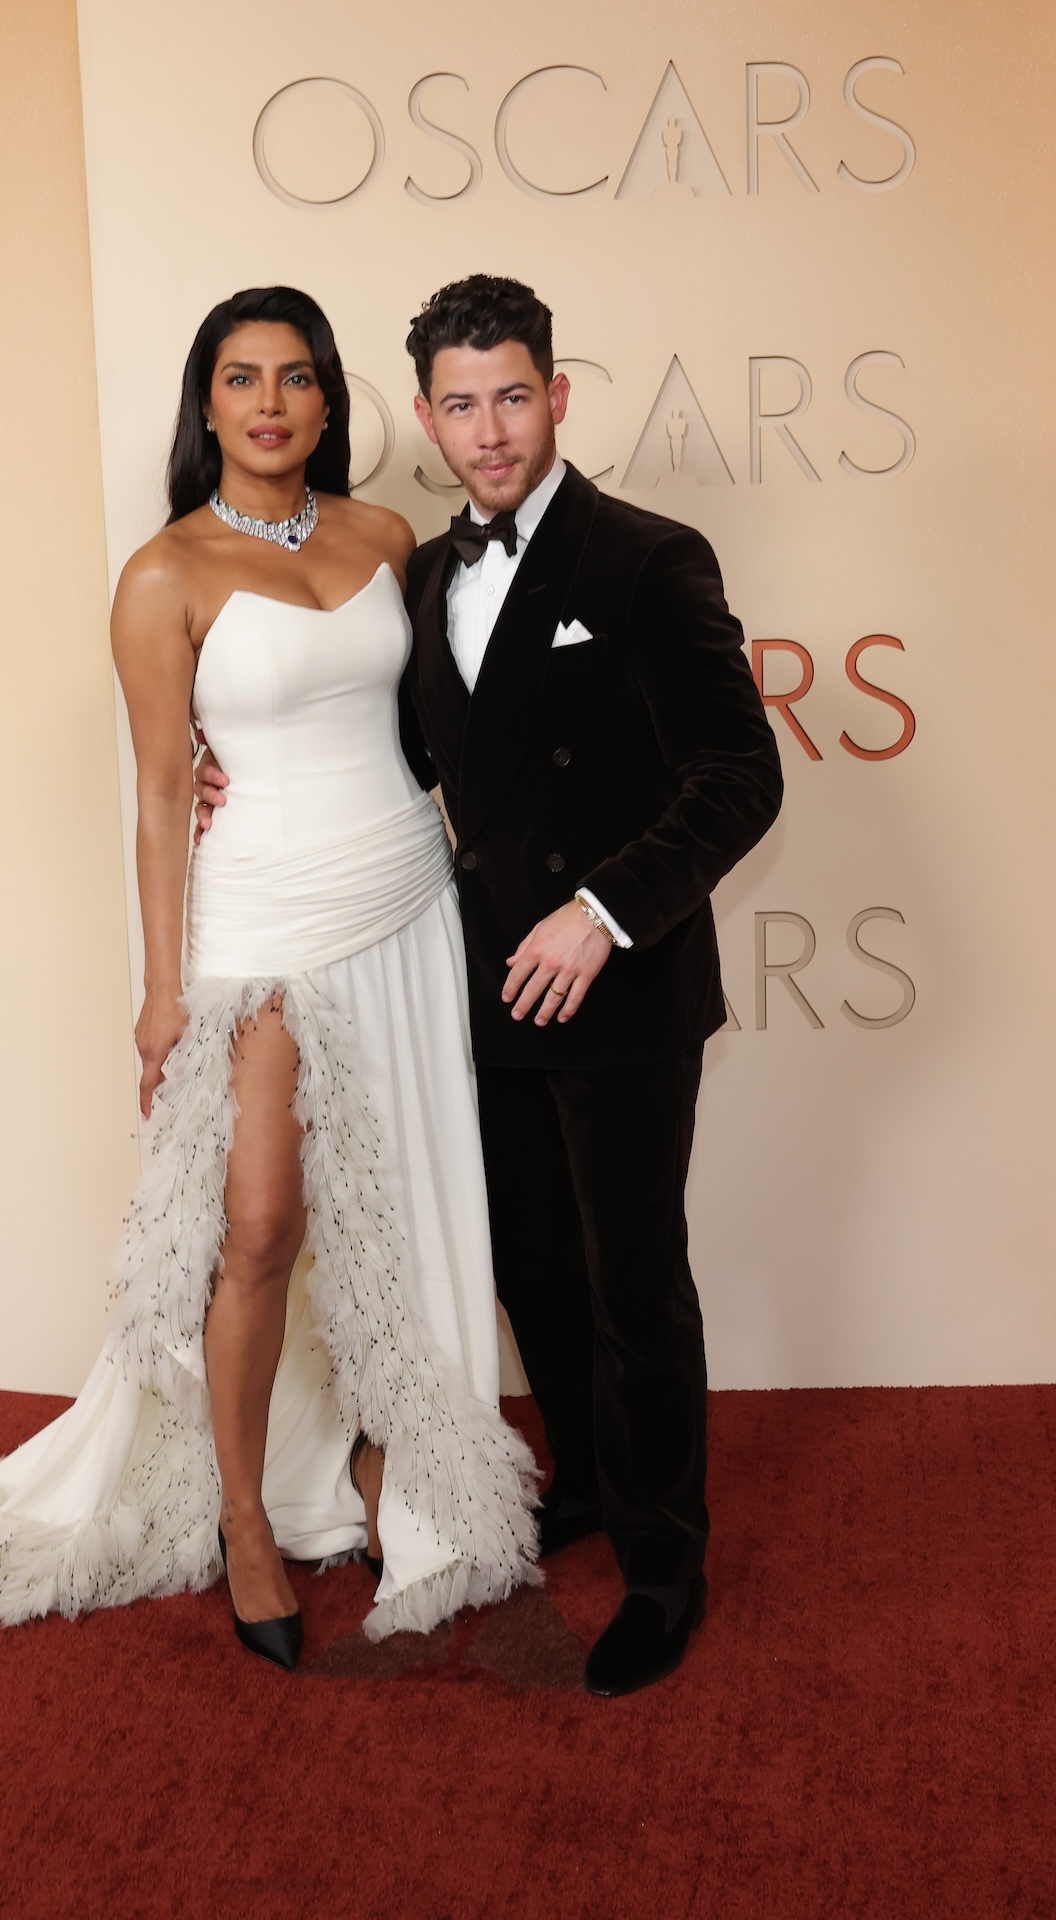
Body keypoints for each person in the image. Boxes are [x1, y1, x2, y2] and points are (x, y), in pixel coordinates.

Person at [0, 286, 539, 1670]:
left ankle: (379, 1467)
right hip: (263, 925)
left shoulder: (383, 534)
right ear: (208, 403)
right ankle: (243, 1517)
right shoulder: (162, 574)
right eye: (244, 379)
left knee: (404, 1201)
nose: (273, 403)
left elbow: (432, 733)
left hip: (405, 895)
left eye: (297, 378)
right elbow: (166, 791)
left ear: (328, 400)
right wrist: (163, 991)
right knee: (256, 1228)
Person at [197, 275, 784, 1698]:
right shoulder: (423, 576)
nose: (489, 428)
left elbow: (739, 776)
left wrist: (604, 913)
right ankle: (584, 1474)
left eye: (512, 395)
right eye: (460, 405)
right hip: (475, 980)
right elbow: (385, 746)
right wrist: (240, 774)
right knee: (536, 1263)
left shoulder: (651, 558)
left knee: (636, 1276)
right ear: (429, 420)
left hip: (618, 982)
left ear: (558, 394)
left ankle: (662, 1562)